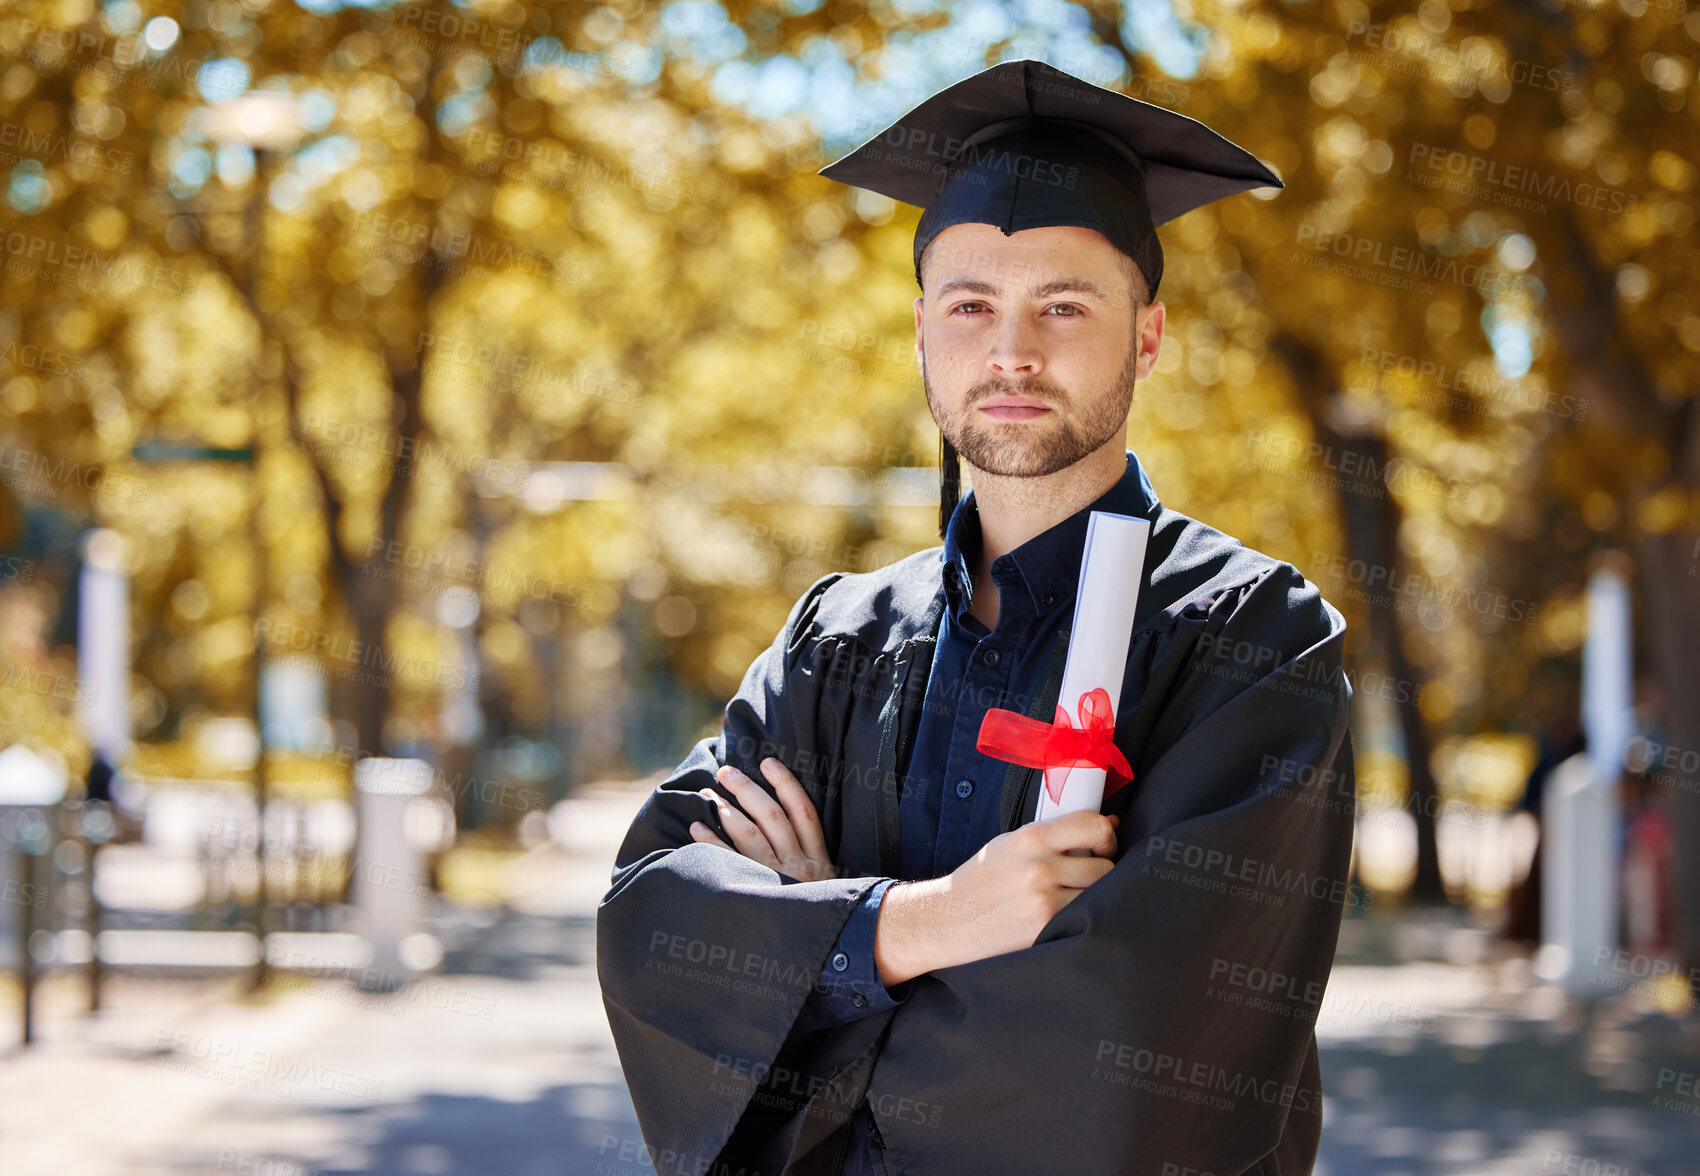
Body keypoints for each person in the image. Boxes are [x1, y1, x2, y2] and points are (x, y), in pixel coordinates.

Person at [597, 59, 1357, 1176]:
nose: (1011, 352)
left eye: (1063, 304)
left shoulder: (1249, 642)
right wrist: (917, 925)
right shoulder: (839, 640)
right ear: (920, 333)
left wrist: (814, 944)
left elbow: (1135, 1050)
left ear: (1145, 336)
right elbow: (655, 929)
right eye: (969, 306)